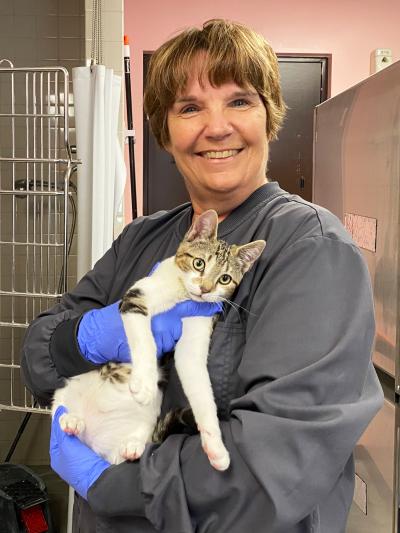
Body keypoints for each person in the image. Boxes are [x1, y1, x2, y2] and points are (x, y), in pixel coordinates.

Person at [21, 19, 383, 533]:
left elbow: (273, 465)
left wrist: (109, 484)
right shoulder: (142, 238)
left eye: (240, 101)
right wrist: (88, 336)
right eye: (189, 107)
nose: (216, 127)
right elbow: (37, 354)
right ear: (165, 132)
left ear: (269, 117)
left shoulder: (309, 249)